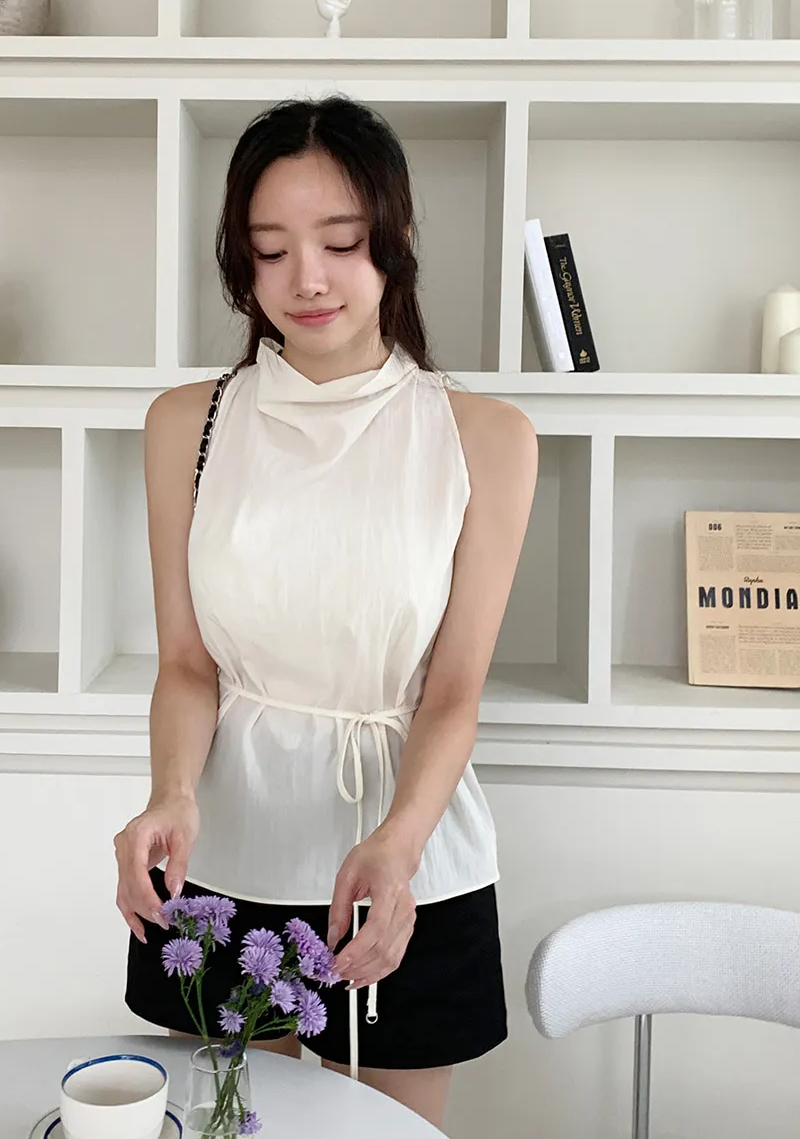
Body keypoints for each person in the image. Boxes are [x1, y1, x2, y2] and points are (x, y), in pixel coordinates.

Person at [115, 94, 538, 1130]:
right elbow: (187, 665)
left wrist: (399, 842)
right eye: (270, 250)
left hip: (405, 858)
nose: (305, 278)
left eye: (341, 243)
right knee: (224, 1126)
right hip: (225, 848)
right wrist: (170, 794)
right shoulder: (186, 426)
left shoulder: (483, 438)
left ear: (394, 240)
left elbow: (452, 695)